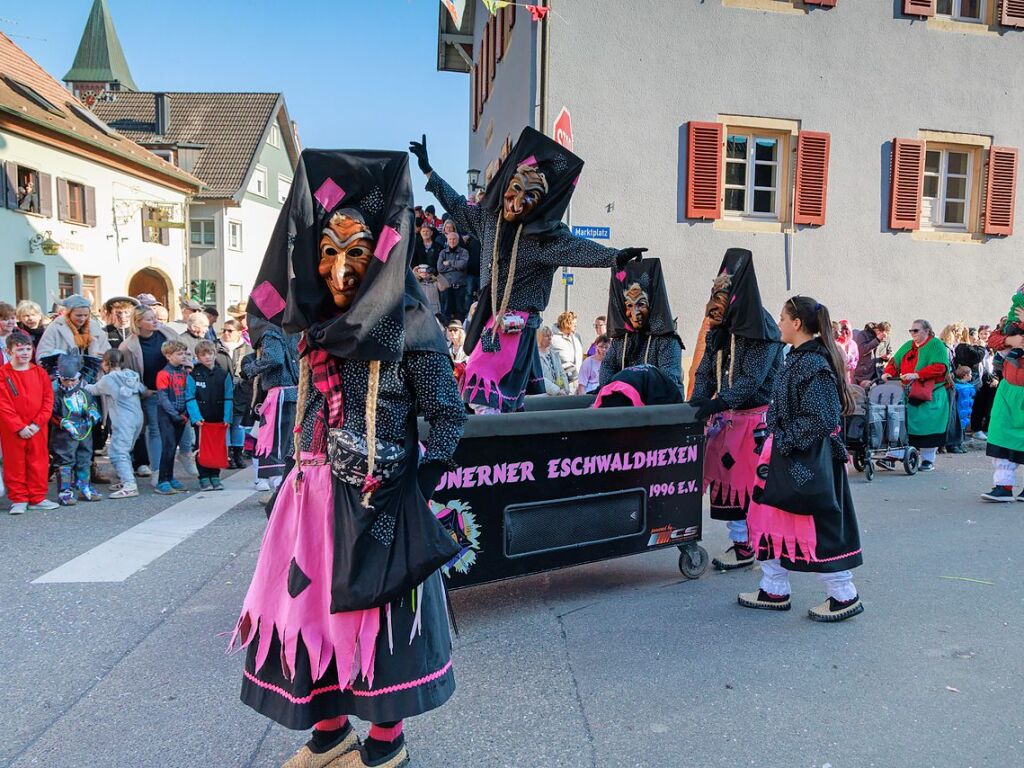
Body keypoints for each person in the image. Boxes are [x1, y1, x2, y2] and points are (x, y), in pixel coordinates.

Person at [233, 148, 466, 768]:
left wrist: (410, 489)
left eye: (356, 251)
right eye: (328, 251)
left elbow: (447, 417)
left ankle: (385, 749)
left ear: (382, 251)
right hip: (309, 500)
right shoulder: (311, 319)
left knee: (374, 628)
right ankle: (330, 737)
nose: (339, 270)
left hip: (376, 502)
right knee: (307, 615)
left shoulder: (411, 321)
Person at [411, 128, 645, 413]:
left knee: (484, 392)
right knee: (498, 398)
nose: (517, 203)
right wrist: (428, 172)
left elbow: (581, 249)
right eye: (514, 193)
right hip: (493, 318)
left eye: (529, 197)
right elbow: (458, 205)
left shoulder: (544, 238)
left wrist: (616, 256)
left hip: (516, 324)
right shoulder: (489, 222)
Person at [740, 296, 864, 622]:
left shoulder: (813, 363)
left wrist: (783, 440)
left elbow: (821, 417)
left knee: (820, 526)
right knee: (769, 518)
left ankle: (843, 596)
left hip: (810, 460)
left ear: (797, 324)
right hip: (788, 454)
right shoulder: (797, 358)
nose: (778, 323)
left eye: (782, 318)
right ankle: (774, 588)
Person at [689, 249, 785, 571]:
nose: (714, 302)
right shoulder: (721, 329)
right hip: (727, 421)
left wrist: (717, 402)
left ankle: (754, 546)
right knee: (723, 485)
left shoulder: (763, 329)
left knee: (748, 488)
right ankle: (741, 543)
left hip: (755, 422)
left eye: (722, 294)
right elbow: (706, 369)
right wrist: (699, 402)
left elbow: (751, 379)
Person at [599, 258, 684, 395]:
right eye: (630, 305)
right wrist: (612, 390)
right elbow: (608, 366)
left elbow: (668, 382)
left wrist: (628, 388)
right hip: (626, 406)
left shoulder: (667, 340)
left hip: (658, 408)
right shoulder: (621, 339)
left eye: (641, 304)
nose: (635, 312)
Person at [879, 319, 949, 473]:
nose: (913, 334)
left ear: (927, 331)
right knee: (900, 422)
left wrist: (918, 374)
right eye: (911, 331)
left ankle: (928, 460)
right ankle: (894, 455)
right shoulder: (908, 346)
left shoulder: (936, 345)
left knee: (929, 425)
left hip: (931, 393)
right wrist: (888, 373)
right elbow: (894, 361)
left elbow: (940, 367)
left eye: (916, 330)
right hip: (908, 392)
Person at [0, 331, 57, 514]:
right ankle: (19, 498)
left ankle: (37, 497)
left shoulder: (40, 373)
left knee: (38, 461)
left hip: (36, 427)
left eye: (27, 349)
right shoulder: (3, 374)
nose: (25, 353)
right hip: (13, 429)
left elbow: (48, 400)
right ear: (9, 352)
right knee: (14, 462)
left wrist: (37, 423)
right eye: (20, 350)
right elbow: (3, 404)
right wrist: (18, 426)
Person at [121, 306, 179, 480]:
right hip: (151, 393)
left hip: (174, 390)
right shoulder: (128, 346)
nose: (155, 321)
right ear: (138, 322)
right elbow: (127, 374)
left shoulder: (167, 333)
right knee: (155, 430)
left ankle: (177, 463)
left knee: (178, 429)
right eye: (149, 319)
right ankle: (157, 471)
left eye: (155, 317)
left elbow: (184, 352)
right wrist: (143, 390)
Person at [242, 317, 300, 490]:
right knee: (287, 441)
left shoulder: (271, 332)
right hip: (291, 393)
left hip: (281, 394)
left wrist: (250, 369)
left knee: (276, 442)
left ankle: (278, 486)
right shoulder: (292, 329)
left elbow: (274, 358)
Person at [85, 349, 146, 499]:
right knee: (122, 451)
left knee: (118, 452)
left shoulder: (109, 379)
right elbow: (142, 389)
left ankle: (129, 484)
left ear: (105, 363)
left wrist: (81, 382)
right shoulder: (132, 375)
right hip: (137, 418)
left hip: (123, 420)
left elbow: (93, 390)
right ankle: (127, 479)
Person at [980, 296, 1024, 501]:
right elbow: (993, 339)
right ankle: (1003, 486)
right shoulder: (1011, 322)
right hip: (1008, 389)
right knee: (1000, 432)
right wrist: (1009, 340)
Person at [48, 352, 103, 505]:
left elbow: (92, 405)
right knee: (65, 461)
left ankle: (84, 485)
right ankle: (65, 490)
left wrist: (93, 413)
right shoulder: (56, 396)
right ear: (59, 378)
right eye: (66, 380)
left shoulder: (85, 393)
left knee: (85, 459)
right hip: (64, 436)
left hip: (85, 432)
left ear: (80, 378)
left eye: (73, 380)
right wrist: (63, 422)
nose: (70, 383)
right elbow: (50, 413)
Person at [186, 340, 233, 491]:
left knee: (218, 447)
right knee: (202, 448)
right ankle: (204, 477)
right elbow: (190, 397)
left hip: (219, 418)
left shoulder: (223, 374)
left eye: (210, 353)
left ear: (215, 354)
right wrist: (195, 417)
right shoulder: (194, 374)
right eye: (203, 354)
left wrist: (227, 417)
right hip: (202, 420)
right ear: (198, 357)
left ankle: (215, 476)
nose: (207, 357)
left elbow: (228, 396)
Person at [154, 340, 192, 495]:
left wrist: (185, 413)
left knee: (174, 447)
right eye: (179, 354)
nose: (183, 356)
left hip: (181, 415)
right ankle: (162, 480)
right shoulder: (163, 374)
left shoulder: (184, 372)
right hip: (167, 415)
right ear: (168, 356)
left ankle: (170, 477)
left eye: (184, 353)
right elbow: (163, 398)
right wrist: (174, 414)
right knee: (168, 448)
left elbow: (188, 393)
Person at [35, 294, 110, 362]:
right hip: (64, 376)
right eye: (78, 315)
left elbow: (107, 351)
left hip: (92, 375)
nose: (83, 319)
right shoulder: (55, 327)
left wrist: (104, 358)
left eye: (86, 315)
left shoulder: (95, 327)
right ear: (69, 314)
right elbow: (42, 356)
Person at [219, 319, 253, 469]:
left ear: (239, 332)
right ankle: (227, 455)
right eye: (224, 330)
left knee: (238, 424)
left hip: (242, 391)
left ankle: (238, 454)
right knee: (225, 422)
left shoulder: (247, 348)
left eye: (230, 331)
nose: (226, 333)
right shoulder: (217, 346)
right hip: (221, 391)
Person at [437, 230, 470, 322]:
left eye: (454, 239)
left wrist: (449, 263)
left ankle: (461, 332)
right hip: (446, 286)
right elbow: (440, 268)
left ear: (458, 240)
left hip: (460, 286)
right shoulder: (443, 253)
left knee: (460, 310)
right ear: (447, 240)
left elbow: (463, 265)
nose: (452, 241)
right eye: (450, 239)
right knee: (446, 310)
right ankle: (446, 331)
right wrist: (456, 267)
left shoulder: (464, 252)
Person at [971, 324, 997, 440]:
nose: (984, 336)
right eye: (981, 333)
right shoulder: (977, 346)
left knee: (989, 405)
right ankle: (976, 429)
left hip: (991, 378)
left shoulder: (993, 347)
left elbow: (994, 365)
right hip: (980, 378)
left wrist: (995, 378)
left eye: (986, 333)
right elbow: (980, 365)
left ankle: (986, 429)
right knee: (978, 405)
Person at [549, 311, 585, 393]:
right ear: (566, 323)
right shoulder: (553, 338)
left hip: (578, 379)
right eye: (574, 323)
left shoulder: (576, 337)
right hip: (561, 380)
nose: (576, 325)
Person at [536, 326, 570, 396]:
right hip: (543, 395)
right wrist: (556, 390)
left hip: (559, 394)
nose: (550, 338)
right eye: (547, 336)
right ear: (539, 338)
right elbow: (540, 378)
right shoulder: (535, 356)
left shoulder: (554, 354)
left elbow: (561, 373)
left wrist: (565, 388)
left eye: (550, 335)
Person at [834, 319, 859, 383]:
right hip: (835, 376)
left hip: (848, 377)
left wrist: (851, 366)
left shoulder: (853, 344)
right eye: (842, 330)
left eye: (847, 330)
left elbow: (856, 359)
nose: (844, 333)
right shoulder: (835, 343)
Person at [954, 366, 977, 436]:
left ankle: (959, 441)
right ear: (965, 375)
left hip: (964, 415)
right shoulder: (956, 387)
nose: (971, 376)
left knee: (963, 424)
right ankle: (954, 444)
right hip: (957, 414)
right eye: (970, 374)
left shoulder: (968, 386)